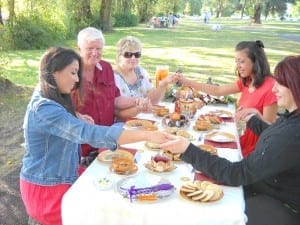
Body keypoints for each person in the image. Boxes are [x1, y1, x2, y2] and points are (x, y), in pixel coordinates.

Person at [20, 47, 171, 225]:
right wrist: (146, 135)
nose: (77, 80)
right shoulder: (44, 108)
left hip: (64, 175)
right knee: (107, 213)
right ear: (54, 72)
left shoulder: (48, 93)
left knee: (118, 186)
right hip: (46, 189)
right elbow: (89, 133)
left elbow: (59, 121)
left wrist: (75, 116)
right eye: (73, 73)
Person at [160, 55, 300, 225]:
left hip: (282, 205)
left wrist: (188, 150)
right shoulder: (292, 119)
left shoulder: (292, 134)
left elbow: (238, 173)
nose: (274, 89)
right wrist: (253, 120)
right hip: (265, 187)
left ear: (295, 87)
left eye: (280, 84)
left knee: (204, 213)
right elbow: (275, 137)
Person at [177, 40, 278, 157]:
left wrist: (254, 115)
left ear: (255, 61)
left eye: (242, 61)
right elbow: (218, 91)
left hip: (256, 151)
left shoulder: (270, 86)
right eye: (236, 62)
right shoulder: (247, 81)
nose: (238, 66)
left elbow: (269, 130)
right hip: (242, 139)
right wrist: (186, 81)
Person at [71, 27, 151, 158]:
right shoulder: (70, 72)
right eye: (90, 48)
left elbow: (116, 100)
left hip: (107, 142)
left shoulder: (106, 68)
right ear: (79, 49)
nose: (95, 53)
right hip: (81, 146)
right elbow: (60, 108)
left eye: (98, 49)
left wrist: (137, 101)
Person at [114, 36, 178, 119]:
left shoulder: (141, 72)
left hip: (144, 119)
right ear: (119, 56)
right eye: (128, 54)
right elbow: (118, 114)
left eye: (137, 54)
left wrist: (163, 84)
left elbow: (152, 100)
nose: (133, 58)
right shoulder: (113, 77)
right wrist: (138, 109)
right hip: (123, 124)